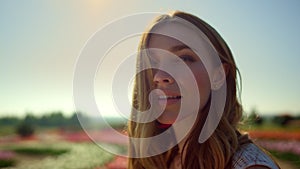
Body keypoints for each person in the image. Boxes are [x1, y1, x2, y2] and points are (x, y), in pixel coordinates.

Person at [127, 11, 280, 169]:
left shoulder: (248, 166)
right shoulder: (159, 160)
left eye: (183, 58)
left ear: (218, 75)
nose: (159, 76)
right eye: (152, 61)